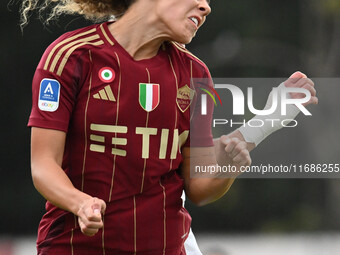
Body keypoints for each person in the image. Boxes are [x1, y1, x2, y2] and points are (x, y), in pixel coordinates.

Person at [22, 0, 318, 254]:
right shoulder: (71, 56)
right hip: (72, 246)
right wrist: (81, 204)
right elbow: (43, 165)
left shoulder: (195, 75)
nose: (206, 6)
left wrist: (256, 132)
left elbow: (199, 188)